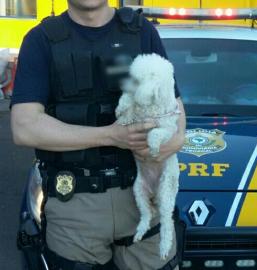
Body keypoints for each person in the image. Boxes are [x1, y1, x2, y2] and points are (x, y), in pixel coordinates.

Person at [10, 0, 186, 269]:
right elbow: (24, 127)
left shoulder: (141, 33)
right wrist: (111, 136)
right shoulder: (41, 40)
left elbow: (174, 108)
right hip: (75, 204)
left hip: (142, 197)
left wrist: (172, 142)